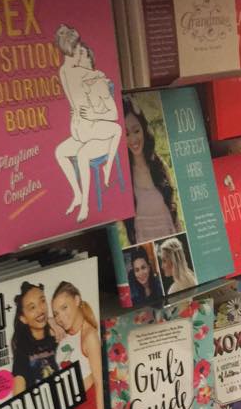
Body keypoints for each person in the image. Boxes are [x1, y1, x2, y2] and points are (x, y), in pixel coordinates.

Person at [54, 25, 122, 223]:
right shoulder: (79, 73)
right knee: (60, 152)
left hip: (84, 129)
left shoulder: (65, 71)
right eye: (78, 50)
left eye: (83, 52)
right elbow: (94, 74)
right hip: (86, 129)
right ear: (71, 49)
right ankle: (78, 195)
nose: (80, 54)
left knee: (74, 152)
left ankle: (84, 201)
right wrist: (100, 76)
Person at [11, 281, 64, 409]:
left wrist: (52, 321)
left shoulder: (52, 340)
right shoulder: (23, 353)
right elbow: (17, 399)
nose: (40, 309)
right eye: (32, 307)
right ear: (23, 318)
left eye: (42, 301)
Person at [123, 96, 180, 245]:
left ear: (143, 129)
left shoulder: (159, 165)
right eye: (126, 134)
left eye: (136, 130)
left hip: (173, 246)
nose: (133, 139)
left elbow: (174, 216)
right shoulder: (123, 178)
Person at [51, 281, 104, 409]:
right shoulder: (62, 334)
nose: (60, 317)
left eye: (64, 308)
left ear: (76, 300)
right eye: (56, 313)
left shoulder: (89, 335)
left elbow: (99, 382)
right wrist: (51, 322)